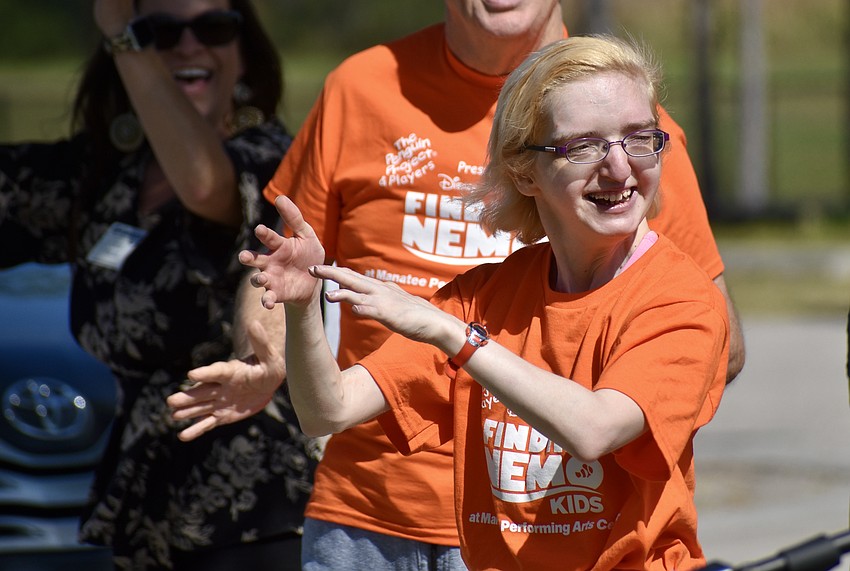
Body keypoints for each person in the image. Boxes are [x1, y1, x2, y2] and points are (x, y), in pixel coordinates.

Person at [169, 1, 744, 568]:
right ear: (524, 172)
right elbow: (329, 410)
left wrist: (454, 335)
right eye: (584, 146)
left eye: (640, 139)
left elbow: (595, 428)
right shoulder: (488, 292)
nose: (619, 167)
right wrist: (300, 311)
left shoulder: (678, 295)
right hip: (378, 512)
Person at [0, 0, 317, 569]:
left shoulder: (273, 160)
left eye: (213, 28)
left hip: (255, 511)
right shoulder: (106, 176)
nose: (188, 46)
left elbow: (202, 184)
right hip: (141, 508)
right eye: (162, 31)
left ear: (244, 56)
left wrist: (124, 33)